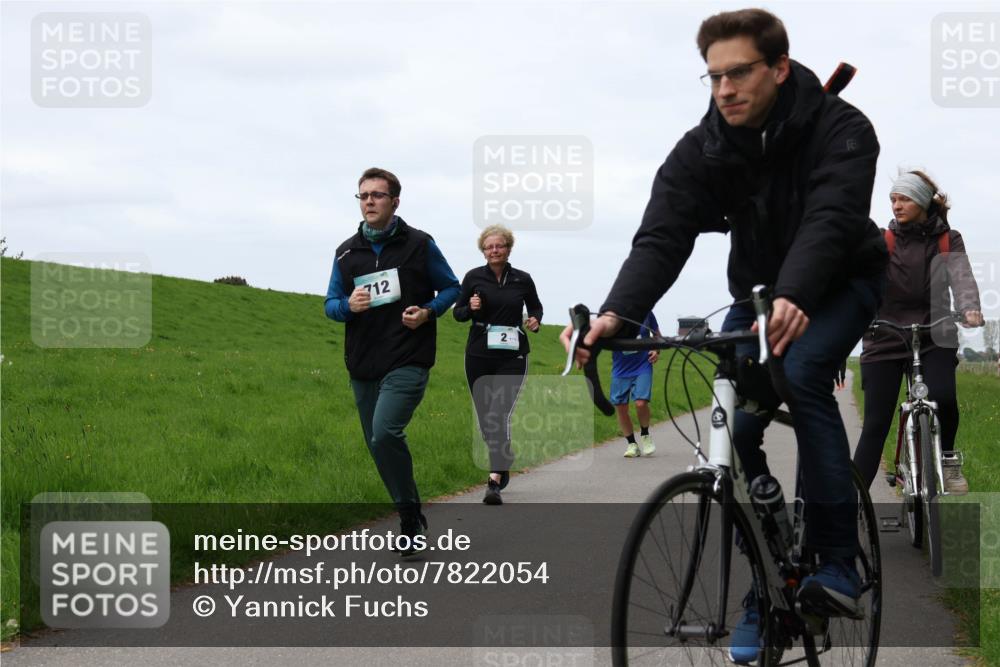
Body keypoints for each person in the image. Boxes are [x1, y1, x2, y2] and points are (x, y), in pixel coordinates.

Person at [560, 9, 887, 663]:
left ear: (779, 68)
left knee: (805, 368)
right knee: (732, 429)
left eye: (738, 73)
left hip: (840, 282)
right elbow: (663, 233)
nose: (724, 90)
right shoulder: (706, 147)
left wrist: (795, 292)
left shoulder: (841, 129)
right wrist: (617, 315)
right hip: (761, 294)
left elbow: (831, 215)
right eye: (713, 77)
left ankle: (837, 563)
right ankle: (767, 580)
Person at [325, 167, 460, 554]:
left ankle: (407, 517)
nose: (369, 201)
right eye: (363, 195)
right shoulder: (347, 253)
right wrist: (348, 306)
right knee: (375, 443)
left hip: (408, 356)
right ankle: (410, 510)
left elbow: (452, 286)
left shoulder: (419, 244)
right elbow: (330, 304)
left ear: (395, 201)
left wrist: (429, 311)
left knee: (385, 432)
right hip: (364, 361)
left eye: (377, 195)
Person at [853, 170, 983, 493]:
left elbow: (962, 277)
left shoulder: (947, 240)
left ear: (923, 201)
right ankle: (849, 505)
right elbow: (863, 283)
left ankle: (949, 462)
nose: (896, 205)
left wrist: (969, 308)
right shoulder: (884, 240)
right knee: (875, 426)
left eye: (904, 199)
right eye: (893, 199)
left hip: (933, 333)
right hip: (885, 335)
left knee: (944, 398)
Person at [453, 225, 543, 505]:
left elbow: (536, 307)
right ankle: (504, 453)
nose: (494, 250)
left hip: (512, 353)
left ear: (508, 248)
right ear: (483, 250)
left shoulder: (523, 279)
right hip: (479, 352)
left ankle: (493, 481)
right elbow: (458, 313)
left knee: (497, 413)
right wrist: (471, 308)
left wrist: (535, 320)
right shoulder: (473, 277)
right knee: (485, 418)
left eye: (499, 246)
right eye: (489, 247)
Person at [611, 312, 660, 458]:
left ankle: (645, 435)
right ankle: (632, 444)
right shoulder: (612, 313)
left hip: (643, 364)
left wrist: (656, 349)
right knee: (620, 406)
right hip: (621, 368)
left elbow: (657, 335)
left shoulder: (647, 312)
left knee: (640, 403)